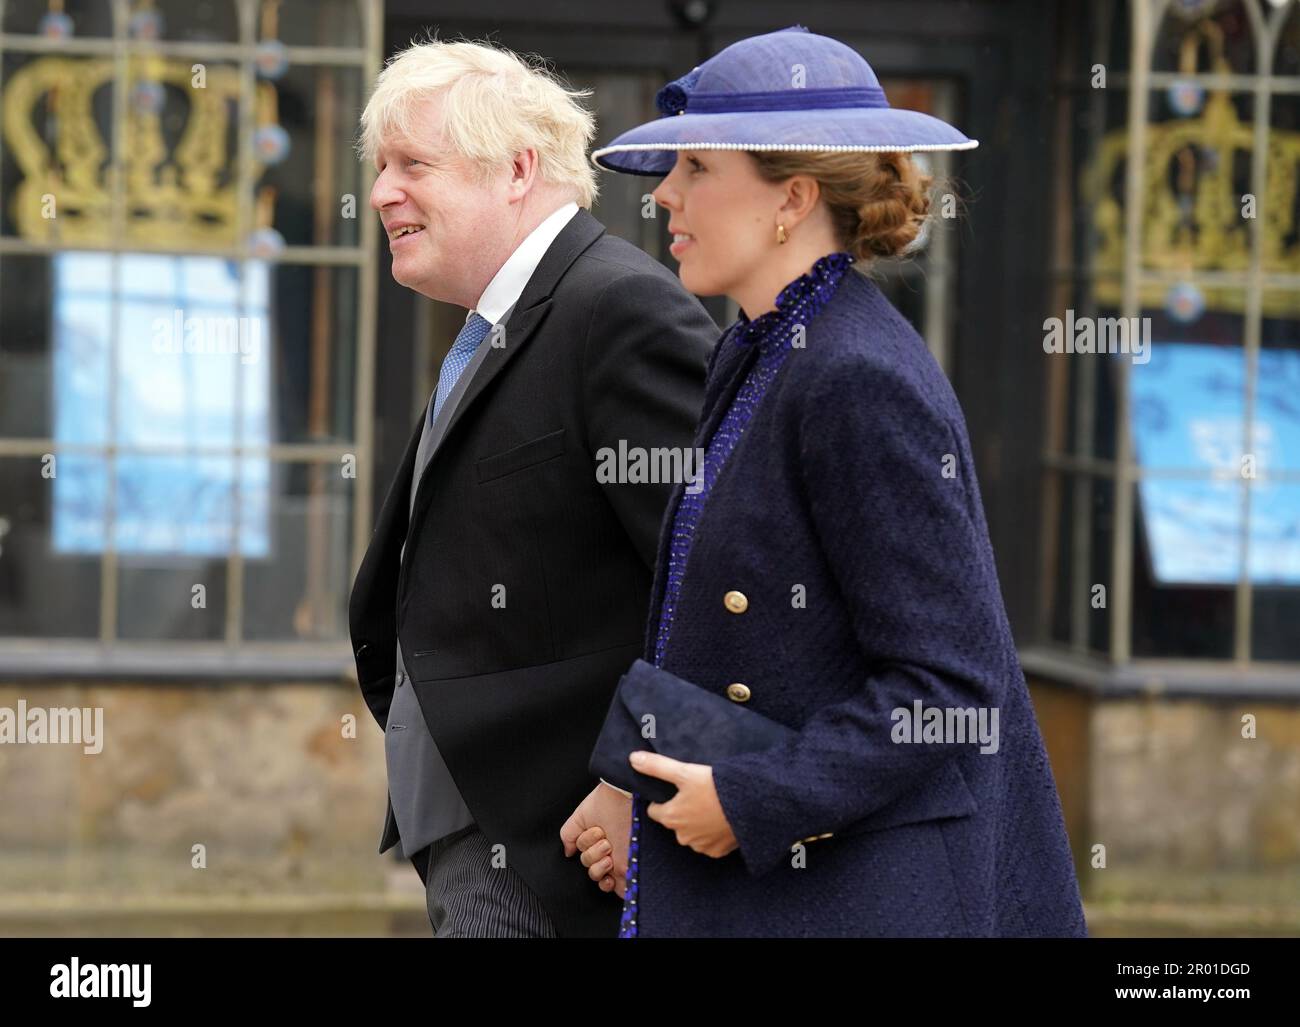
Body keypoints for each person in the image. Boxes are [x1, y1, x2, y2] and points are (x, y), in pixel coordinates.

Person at [564, 25, 1088, 937]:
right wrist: (626, 772)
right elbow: (706, 618)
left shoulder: (855, 375)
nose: (666, 199)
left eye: (695, 169)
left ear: (791, 199)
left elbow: (950, 690)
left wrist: (754, 798)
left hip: (860, 894)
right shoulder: (757, 346)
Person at [349, 38, 714, 937]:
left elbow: (715, 578)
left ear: (517, 169)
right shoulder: (498, 319)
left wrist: (636, 769)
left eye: (412, 165)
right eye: (380, 167)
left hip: (555, 848)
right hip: (482, 833)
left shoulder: (619, 308)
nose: (383, 192)